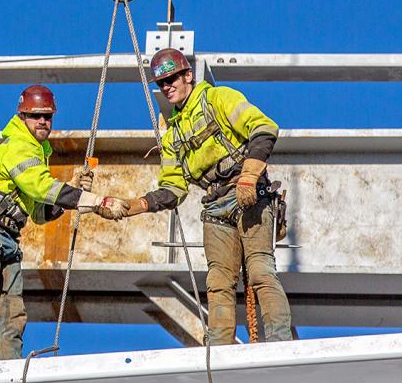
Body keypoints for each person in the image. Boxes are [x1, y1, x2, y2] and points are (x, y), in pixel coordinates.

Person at [96, 48, 292, 344]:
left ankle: (279, 342)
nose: (167, 86)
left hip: (249, 196)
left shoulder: (217, 99)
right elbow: (173, 189)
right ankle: (218, 349)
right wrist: (132, 206)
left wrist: (250, 175)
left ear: (188, 75)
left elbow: (264, 128)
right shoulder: (173, 133)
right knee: (218, 282)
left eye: (172, 78)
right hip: (215, 207)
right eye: (162, 83)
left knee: (260, 271)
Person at [0, 85, 127, 363]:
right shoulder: (17, 147)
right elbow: (41, 186)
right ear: (22, 117)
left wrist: (73, 193)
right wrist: (93, 199)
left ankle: (10, 375)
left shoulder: (38, 153)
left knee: (12, 315)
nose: (43, 122)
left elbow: (40, 213)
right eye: (35, 116)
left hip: (8, 240)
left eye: (48, 117)